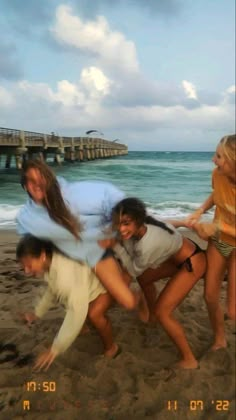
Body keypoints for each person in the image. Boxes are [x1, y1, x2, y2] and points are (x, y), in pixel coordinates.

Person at [16, 159, 138, 311]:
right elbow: (30, 241)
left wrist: (112, 229)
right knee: (72, 297)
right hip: (72, 258)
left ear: (48, 179)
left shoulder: (71, 194)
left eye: (41, 178)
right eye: (31, 181)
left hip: (97, 252)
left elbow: (111, 198)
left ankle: (129, 277)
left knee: (128, 302)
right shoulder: (28, 218)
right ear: (25, 185)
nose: (37, 184)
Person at [98, 198, 206, 369]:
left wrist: (116, 248)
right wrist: (185, 223)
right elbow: (168, 224)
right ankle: (152, 317)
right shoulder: (147, 222)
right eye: (118, 223)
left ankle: (189, 359)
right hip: (176, 255)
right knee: (145, 279)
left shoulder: (147, 245)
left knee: (164, 312)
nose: (121, 228)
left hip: (192, 263)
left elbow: (132, 270)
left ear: (138, 220)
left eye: (126, 223)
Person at [16, 234, 120, 371]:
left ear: (42, 255)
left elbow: (77, 311)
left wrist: (56, 348)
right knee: (65, 298)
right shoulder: (51, 262)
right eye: (24, 267)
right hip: (84, 286)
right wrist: (36, 313)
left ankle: (112, 347)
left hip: (106, 284)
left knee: (94, 314)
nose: (27, 271)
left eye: (29, 265)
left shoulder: (65, 274)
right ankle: (82, 328)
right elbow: (52, 291)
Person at [185, 134, 236, 350]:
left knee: (233, 310)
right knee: (210, 295)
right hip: (219, 242)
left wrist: (216, 227)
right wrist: (200, 210)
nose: (213, 160)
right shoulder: (218, 174)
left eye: (219, 156)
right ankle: (219, 339)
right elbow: (216, 195)